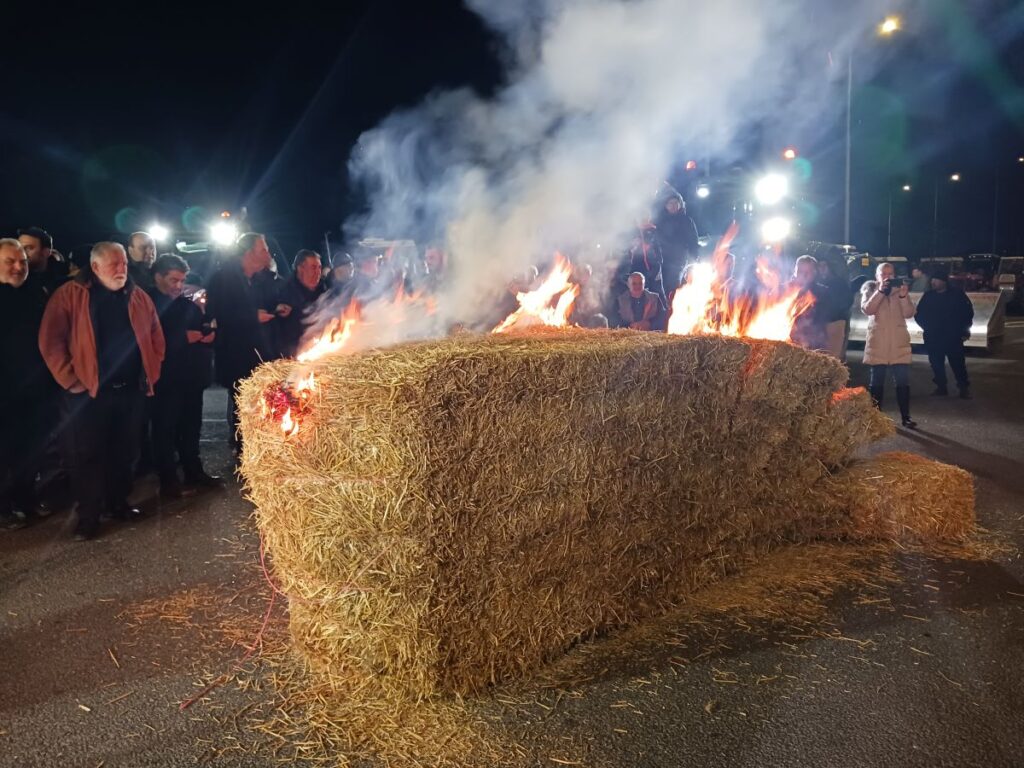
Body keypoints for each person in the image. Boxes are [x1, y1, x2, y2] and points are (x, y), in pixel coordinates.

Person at [38, 242, 165, 540]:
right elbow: (51, 342)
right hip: (87, 395)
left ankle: (118, 503)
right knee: (85, 456)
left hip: (130, 391)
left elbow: (156, 335)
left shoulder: (137, 295)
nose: (121, 269)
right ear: (95, 267)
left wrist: (152, 370)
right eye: (113, 264)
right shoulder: (70, 295)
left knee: (125, 451)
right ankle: (88, 516)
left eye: (123, 263)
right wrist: (72, 380)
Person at [147, 255, 222, 498]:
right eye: (173, 280)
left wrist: (209, 333)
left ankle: (193, 471)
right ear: (158, 277)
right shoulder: (147, 304)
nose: (178, 286)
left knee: (191, 426)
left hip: (191, 377)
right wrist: (183, 339)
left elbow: (201, 326)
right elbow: (146, 340)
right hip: (166, 379)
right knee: (165, 430)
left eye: (182, 280)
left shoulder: (186, 304)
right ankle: (168, 480)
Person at [205, 232, 285, 453]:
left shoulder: (263, 278)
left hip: (262, 354)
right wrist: (252, 316)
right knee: (242, 405)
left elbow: (269, 303)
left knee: (263, 404)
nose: (268, 253)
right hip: (236, 355)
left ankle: (262, 448)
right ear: (248, 253)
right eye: (263, 249)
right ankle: (242, 451)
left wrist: (277, 308)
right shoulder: (222, 279)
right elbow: (218, 314)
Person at [0, 239, 56, 528]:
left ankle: (26, 498)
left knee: (32, 449)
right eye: (10, 261)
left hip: (35, 388)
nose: (18, 266)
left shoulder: (36, 291)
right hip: (4, 392)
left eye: (21, 260)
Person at [861, 262, 917, 428]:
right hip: (878, 343)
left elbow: (909, 313)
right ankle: (875, 418)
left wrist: (903, 296)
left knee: (902, 382)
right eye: (883, 274)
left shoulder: (900, 291)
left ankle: (906, 417)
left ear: (895, 275)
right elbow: (868, 309)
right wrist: (879, 292)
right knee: (876, 383)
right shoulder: (870, 290)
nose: (887, 277)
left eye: (890, 274)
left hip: (899, 343)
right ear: (876, 276)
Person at [914, 266, 974, 399]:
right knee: (936, 363)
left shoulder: (957, 295)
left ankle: (963, 388)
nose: (933, 283)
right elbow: (919, 314)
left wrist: (965, 330)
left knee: (958, 363)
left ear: (944, 281)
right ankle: (941, 387)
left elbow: (967, 313)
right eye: (932, 280)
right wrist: (927, 328)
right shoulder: (928, 296)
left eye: (936, 280)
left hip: (953, 336)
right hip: (933, 337)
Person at [278, 249, 326, 358]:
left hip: (320, 346)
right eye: (313, 267)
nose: (318, 272)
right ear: (300, 268)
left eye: (319, 267)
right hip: (294, 351)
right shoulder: (285, 290)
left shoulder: (324, 288)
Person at [653, 187, 699, 297]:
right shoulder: (661, 222)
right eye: (670, 203)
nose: (673, 206)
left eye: (675, 203)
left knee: (680, 289)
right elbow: (655, 242)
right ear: (666, 206)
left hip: (681, 261)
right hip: (664, 262)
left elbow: (693, 242)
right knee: (665, 291)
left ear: (680, 204)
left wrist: (693, 259)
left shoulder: (687, 221)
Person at [788, 255, 834, 353]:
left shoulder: (823, 292)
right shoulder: (783, 290)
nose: (803, 275)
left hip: (813, 343)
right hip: (787, 341)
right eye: (800, 272)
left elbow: (823, 318)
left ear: (814, 273)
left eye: (807, 272)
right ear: (795, 271)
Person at [817, 259, 854, 360]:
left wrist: (835, 310)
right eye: (819, 266)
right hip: (820, 323)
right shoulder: (816, 283)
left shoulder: (838, 283)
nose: (822, 269)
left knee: (834, 356)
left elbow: (848, 300)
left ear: (829, 268)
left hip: (835, 321)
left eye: (824, 266)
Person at [18, 226, 69, 297]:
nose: (22, 253)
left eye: (29, 248)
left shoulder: (66, 273)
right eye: (19, 248)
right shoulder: (15, 276)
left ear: (46, 252)